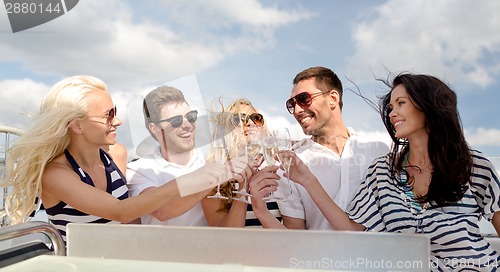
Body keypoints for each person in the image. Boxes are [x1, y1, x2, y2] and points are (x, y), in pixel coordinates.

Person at [285, 73, 500, 270]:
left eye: (401, 103)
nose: (392, 113)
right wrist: (309, 181)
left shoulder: (472, 166)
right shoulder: (383, 171)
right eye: (391, 106)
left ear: (429, 105)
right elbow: (352, 228)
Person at [1, 75, 250, 241]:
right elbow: (120, 211)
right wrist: (200, 178)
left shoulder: (116, 155)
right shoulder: (56, 175)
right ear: (76, 126)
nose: (117, 121)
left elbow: (132, 222)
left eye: (116, 112)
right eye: (108, 115)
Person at [251, 66, 389, 230]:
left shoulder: (378, 151)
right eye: (291, 104)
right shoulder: (289, 165)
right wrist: (260, 210)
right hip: (317, 256)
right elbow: (296, 237)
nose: (297, 110)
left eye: (304, 99)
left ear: (333, 98)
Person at [126, 86, 209, 226]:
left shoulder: (211, 162)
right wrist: (213, 178)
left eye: (191, 117)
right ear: (155, 128)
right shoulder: (137, 169)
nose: (187, 125)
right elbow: (161, 211)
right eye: (176, 121)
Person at [202, 98, 282, 227]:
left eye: (256, 118)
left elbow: (293, 234)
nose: (250, 123)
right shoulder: (214, 180)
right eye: (241, 118)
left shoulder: (278, 172)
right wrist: (243, 186)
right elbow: (225, 238)